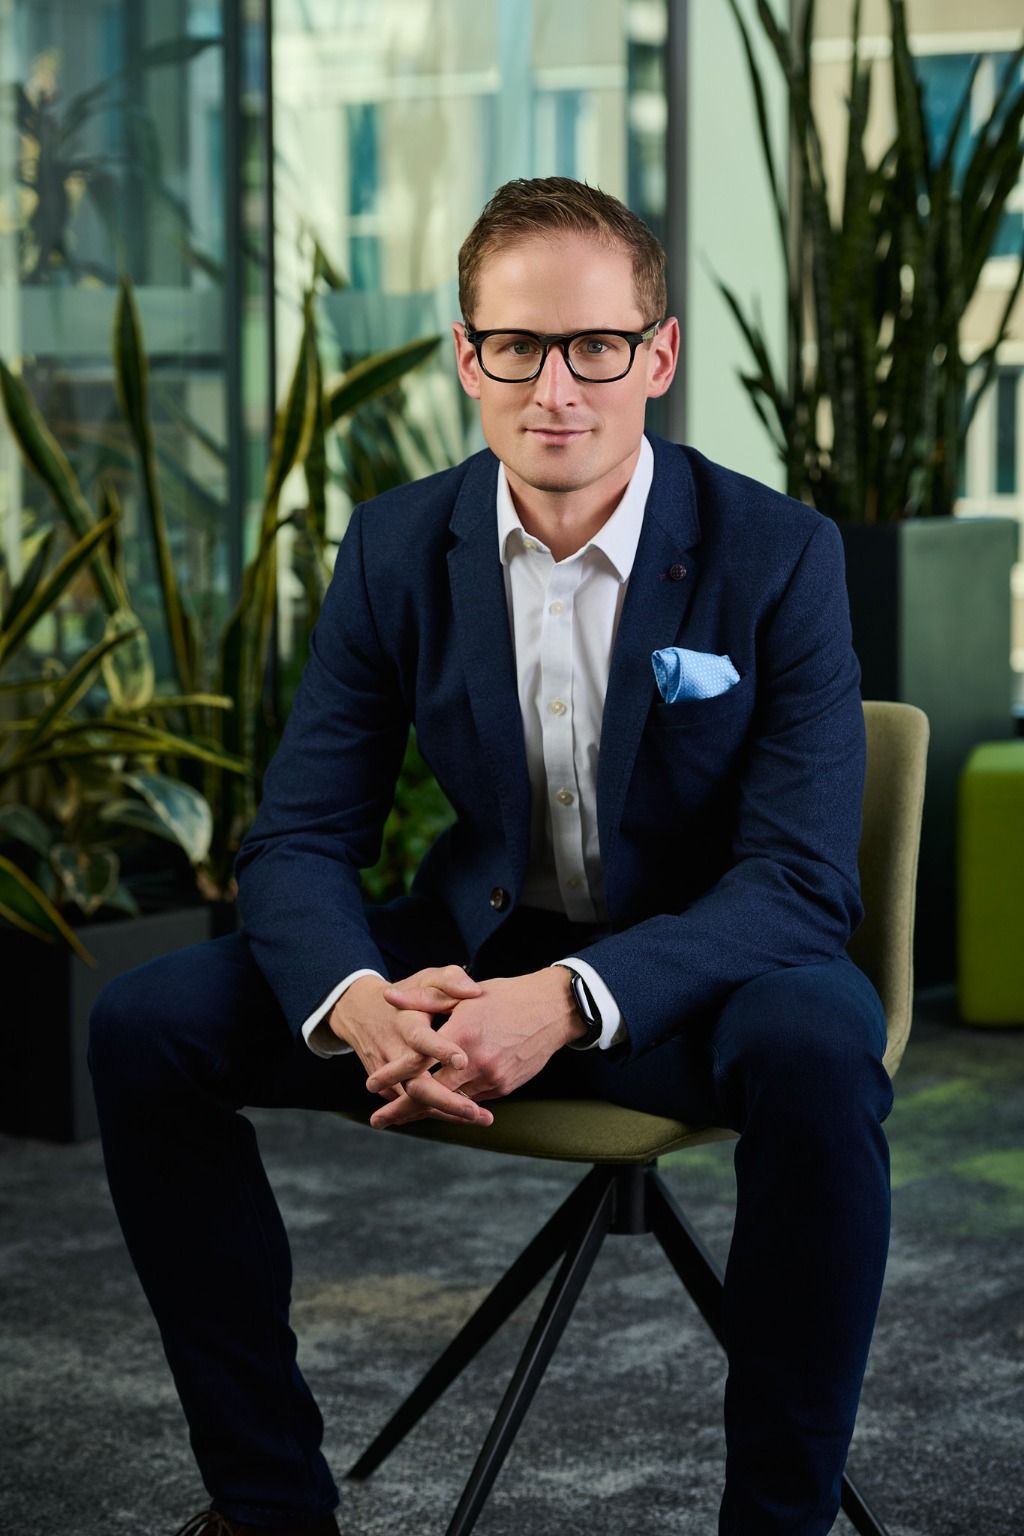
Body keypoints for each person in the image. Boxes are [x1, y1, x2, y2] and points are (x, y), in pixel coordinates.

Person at [89, 176, 894, 1536]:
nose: (555, 389)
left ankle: (778, 1520)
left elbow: (802, 882)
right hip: (468, 966)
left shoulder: (778, 553)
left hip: (700, 984)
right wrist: (356, 999)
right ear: (469, 357)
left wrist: (571, 1000)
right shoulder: (399, 545)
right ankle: (268, 1503)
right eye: (517, 346)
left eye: (597, 347)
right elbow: (300, 835)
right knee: (145, 1024)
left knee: (822, 1044)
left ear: (660, 356)